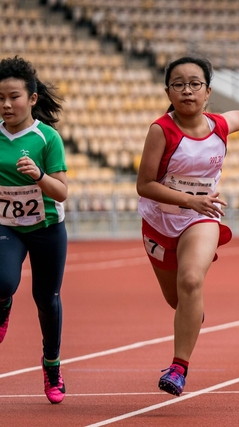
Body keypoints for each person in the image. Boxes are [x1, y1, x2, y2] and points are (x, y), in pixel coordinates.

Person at [136, 56, 239, 396]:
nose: (187, 91)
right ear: (168, 91)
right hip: (159, 220)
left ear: (208, 91)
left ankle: (178, 368)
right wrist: (186, 200)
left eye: (194, 84)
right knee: (179, 301)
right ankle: (192, 312)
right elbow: (144, 185)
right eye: (178, 84)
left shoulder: (221, 125)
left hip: (203, 216)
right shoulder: (161, 131)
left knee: (192, 279)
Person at [0, 56, 68, 404]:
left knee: (47, 299)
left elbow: (62, 191)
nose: (6, 104)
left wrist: (38, 176)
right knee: (2, 282)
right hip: (7, 227)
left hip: (46, 228)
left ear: (32, 99)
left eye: (13, 96)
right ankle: (2, 305)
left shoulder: (47, 138)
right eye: (0, 98)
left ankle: (52, 366)